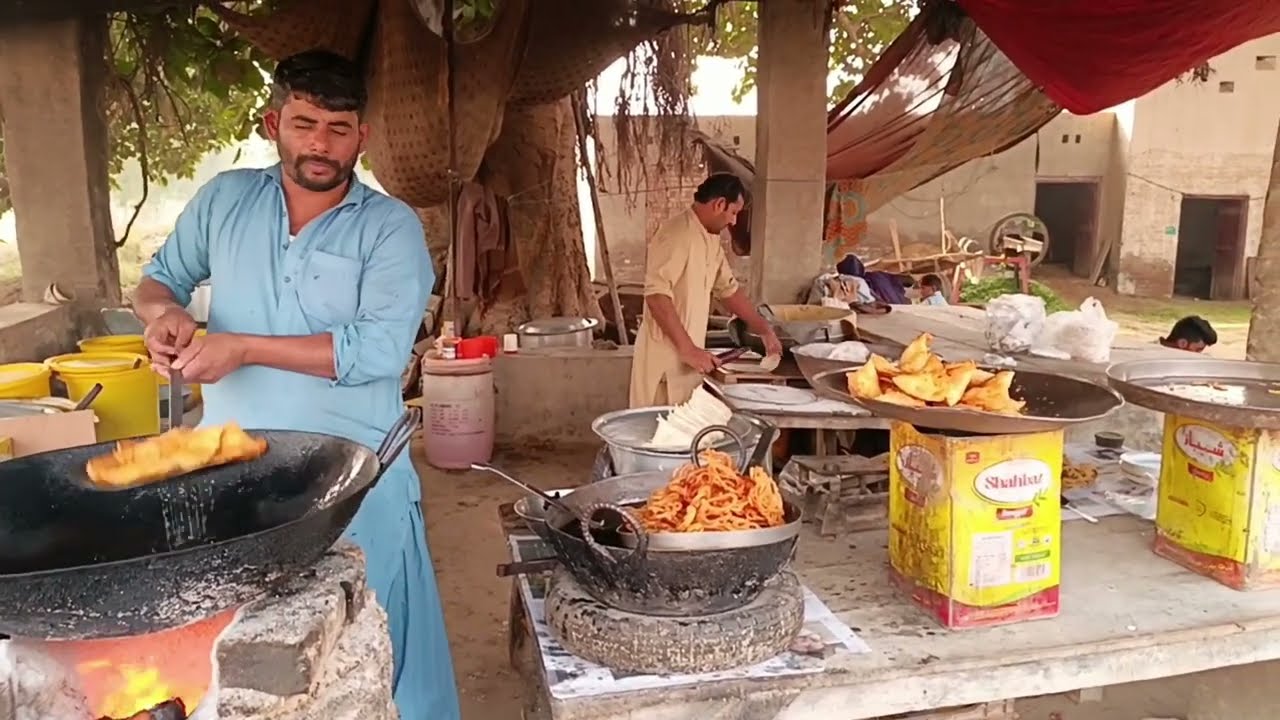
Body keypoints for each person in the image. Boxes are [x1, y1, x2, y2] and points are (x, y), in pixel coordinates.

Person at [133, 50, 460, 719]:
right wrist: (163, 316)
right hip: (235, 474)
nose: (321, 143)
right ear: (272, 123)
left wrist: (243, 347)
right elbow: (158, 279)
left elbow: (378, 351)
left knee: (371, 646)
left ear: (362, 136)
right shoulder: (225, 200)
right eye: (304, 123)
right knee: (251, 654)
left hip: (356, 482)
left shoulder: (390, 227)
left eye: (339, 129)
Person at [629, 173, 782, 408]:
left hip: (689, 362)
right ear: (719, 204)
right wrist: (688, 349)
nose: (734, 222)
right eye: (733, 213)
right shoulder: (677, 233)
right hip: (664, 363)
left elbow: (728, 290)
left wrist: (763, 329)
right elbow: (656, 296)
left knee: (684, 425)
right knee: (658, 427)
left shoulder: (710, 239)